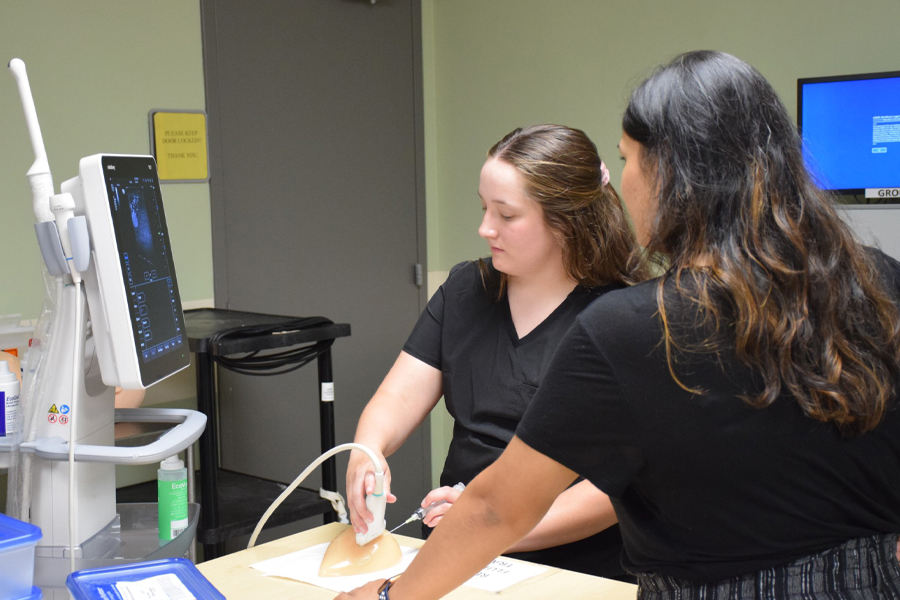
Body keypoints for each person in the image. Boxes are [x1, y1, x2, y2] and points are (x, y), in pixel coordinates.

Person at [337, 51, 900, 600]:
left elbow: (496, 509)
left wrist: (391, 596)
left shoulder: (633, 325)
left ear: (670, 176)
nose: (623, 181)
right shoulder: (878, 282)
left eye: (628, 159)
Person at [345, 123, 647, 581]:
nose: (485, 228)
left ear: (566, 220)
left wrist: (492, 528)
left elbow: (614, 488)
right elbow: (396, 398)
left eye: (506, 215)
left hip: (573, 570)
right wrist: (366, 452)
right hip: (458, 557)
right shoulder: (468, 290)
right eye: (484, 208)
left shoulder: (621, 317)